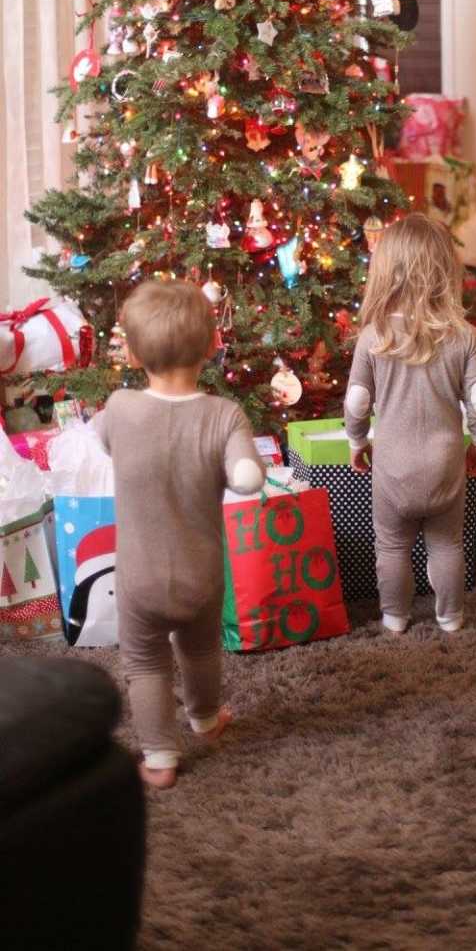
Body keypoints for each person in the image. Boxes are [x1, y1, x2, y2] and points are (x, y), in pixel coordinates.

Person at [94, 280, 264, 788]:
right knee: (201, 650)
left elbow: (102, 440)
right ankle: (206, 718)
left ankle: (160, 758)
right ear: (212, 345)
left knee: (145, 664)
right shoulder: (223, 414)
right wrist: (241, 473)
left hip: (139, 577)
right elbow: (246, 475)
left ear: (132, 351)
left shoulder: (120, 408)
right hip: (201, 575)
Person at [344, 214, 476, 635]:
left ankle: (394, 616)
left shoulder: (373, 336)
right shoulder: (462, 336)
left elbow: (357, 402)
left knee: (391, 546)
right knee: (446, 544)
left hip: (392, 468)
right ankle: (451, 616)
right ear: (446, 270)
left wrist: (356, 441)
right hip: (445, 463)